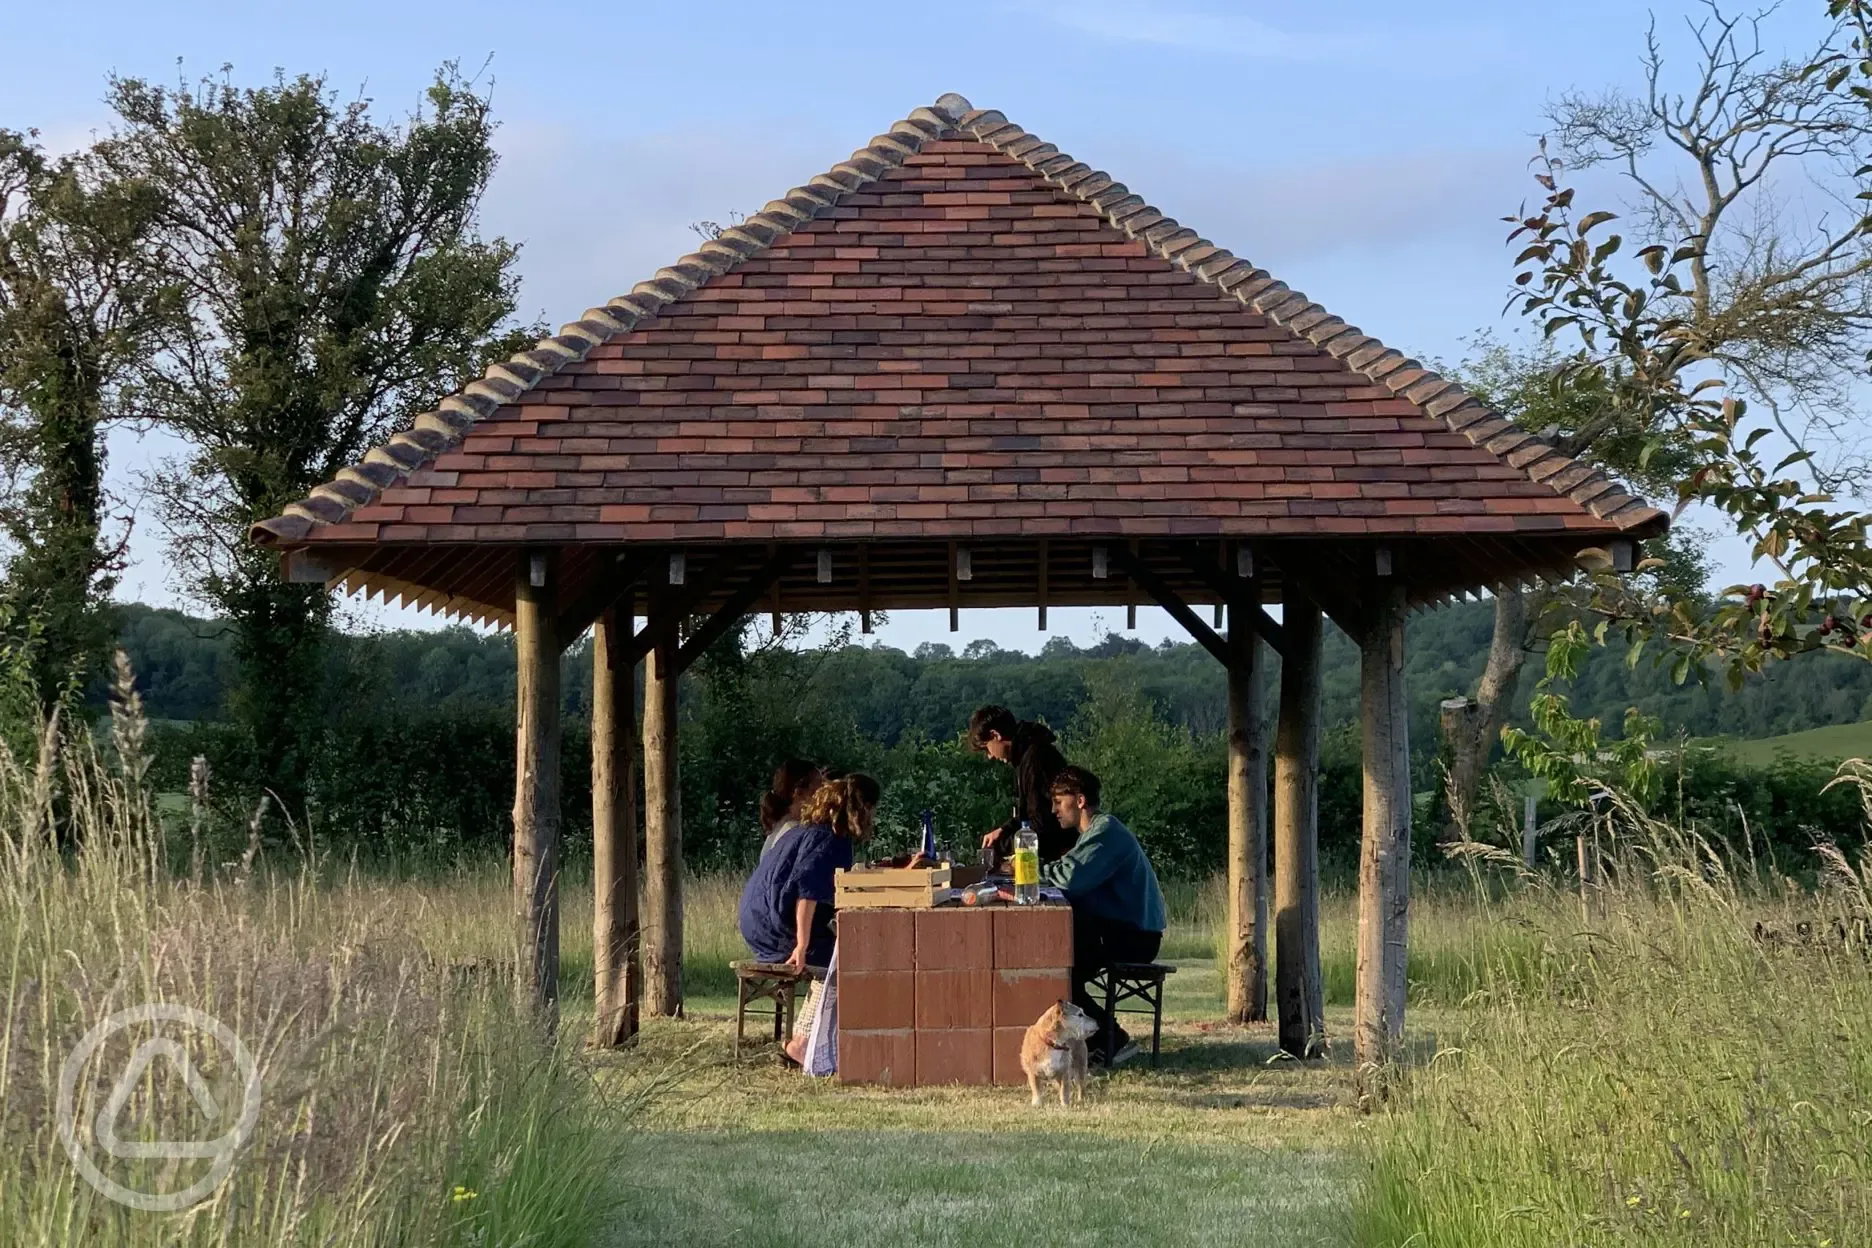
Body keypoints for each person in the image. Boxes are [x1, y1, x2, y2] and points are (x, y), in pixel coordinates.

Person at [738, 772, 880, 1065]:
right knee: (846, 957)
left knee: (837, 949)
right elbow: (807, 891)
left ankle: (806, 1038)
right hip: (776, 926)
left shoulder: (809, 830)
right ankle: (803, 1043)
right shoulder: (830, 838)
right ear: (861, 808)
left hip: (758, 920)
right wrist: (801, 945)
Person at [1042, 765, 1167, 1068]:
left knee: (1060, 975)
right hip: (1122, 930)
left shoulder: (1105, 832)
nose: (1054, 810)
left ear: (1080, 800)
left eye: (1059, 802)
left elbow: (1070, 877)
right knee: (1061, 970)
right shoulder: (1094, 834)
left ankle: (1112, 1040)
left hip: (1134, 937)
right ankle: (1103, 1039)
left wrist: (1026, 869)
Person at [968, 704, 1074, 868]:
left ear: (995, 735)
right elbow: (1031, 811)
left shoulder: (1035, 759)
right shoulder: (1027, 756)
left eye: (986, 749)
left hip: (1059, 858)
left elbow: (1043, 822)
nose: (989, 756)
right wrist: (1004, 830)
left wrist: (1002, 845)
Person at [758, 758, 824, 861]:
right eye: (819, 788)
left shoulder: (780, 829)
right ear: (799, 794)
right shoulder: (794, 833)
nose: (825, 795)